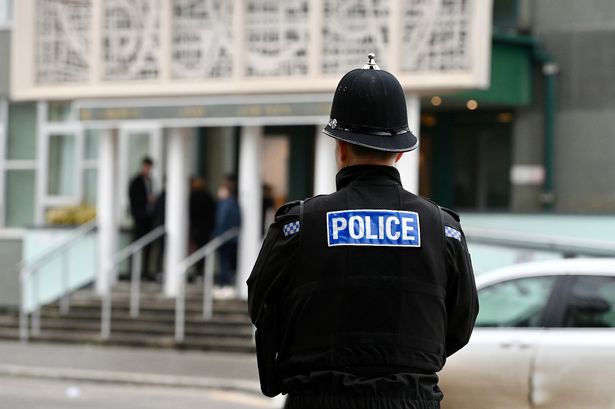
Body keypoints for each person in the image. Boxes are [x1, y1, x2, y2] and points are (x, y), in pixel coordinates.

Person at [247, 54, 478, 409]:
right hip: (410, 400)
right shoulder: (442, 229)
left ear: (339, 148)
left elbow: (260, 304)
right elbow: (460, 323)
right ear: (400, 153)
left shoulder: (300, 226)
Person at [128, 157, 156, 280]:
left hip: (148, 217)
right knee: (136, 243)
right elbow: (133, 198)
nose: (148, 169)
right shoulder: (136, 181)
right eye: (147, 167)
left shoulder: (150, 181)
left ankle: (145, 271)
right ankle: (133, 272)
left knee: (148, 245)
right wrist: (147, 199)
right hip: (139, 217)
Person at [213, 174, 241, 288]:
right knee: (228, 261)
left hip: (224, 236)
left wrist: (217, 235)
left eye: (220, 190)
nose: (218, 193)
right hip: (231, 237)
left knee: (224, 261)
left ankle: (225, 281)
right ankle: (227, 280)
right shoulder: (234, 203)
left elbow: (221, 221)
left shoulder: (225, 205)